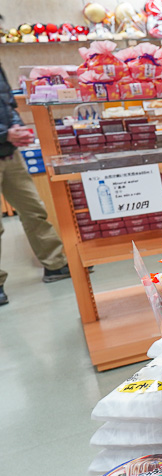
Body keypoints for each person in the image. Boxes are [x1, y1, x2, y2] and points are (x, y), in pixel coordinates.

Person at [0, 64, 71, 306]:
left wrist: (16, 127)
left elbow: (7, 103)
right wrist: (4, 134)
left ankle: (55, 264)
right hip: (5, 142)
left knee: (34, 210)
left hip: (10, 154)